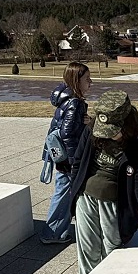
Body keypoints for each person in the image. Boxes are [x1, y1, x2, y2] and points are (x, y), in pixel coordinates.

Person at [68, 90, 138, 274]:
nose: (107, 136)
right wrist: (75, 190)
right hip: (86, 197)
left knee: (113, 250)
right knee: (88, 251)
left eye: (113, 132)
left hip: (113, 204)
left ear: (126, 124)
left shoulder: (136, 147)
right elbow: (77, 162)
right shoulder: (92, 128)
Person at [40, 62, 92, 244]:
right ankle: (52, 233)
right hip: (68, 160)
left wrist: (87, 122)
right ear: (76, 81)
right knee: (65, 194)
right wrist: (74, 162)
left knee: (63, 192)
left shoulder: (66, 100)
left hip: (62, 157)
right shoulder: (75, 103)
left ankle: (55, 231)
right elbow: (68, 134)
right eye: (87, 79)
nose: (90, 82)